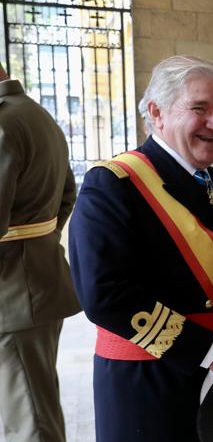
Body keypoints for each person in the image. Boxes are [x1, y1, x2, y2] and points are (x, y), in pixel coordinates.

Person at [68, 55, 213, 442]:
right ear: (157, 112)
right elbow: (105, 296)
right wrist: (212, 350)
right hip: (150, 386)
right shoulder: (113, 185)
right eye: (200, 109)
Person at [0, 63, 80, 441]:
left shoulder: (4, 123)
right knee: (30, 408)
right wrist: (33, 244)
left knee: (29, 422)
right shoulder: (36, 114)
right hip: (34, 282)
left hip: (13, 294)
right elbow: (67, 195)